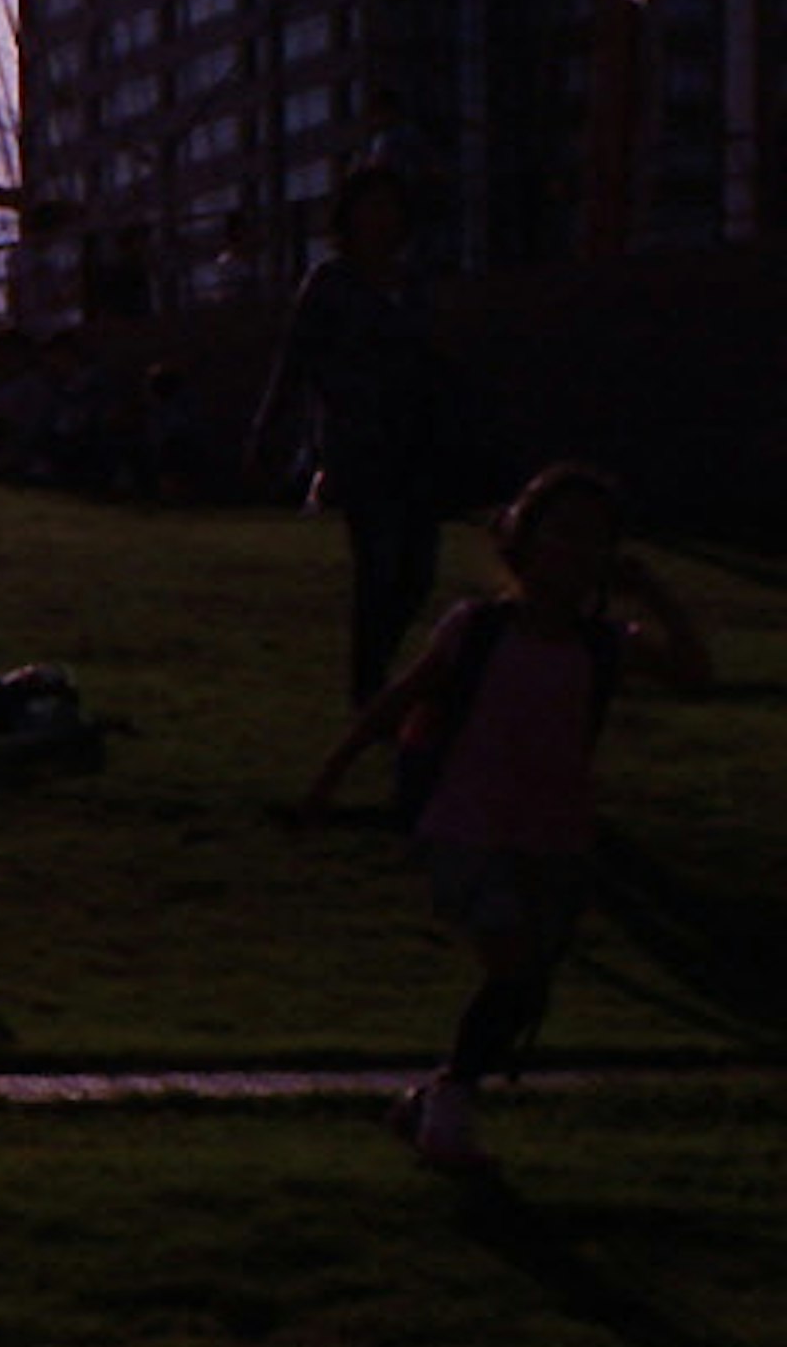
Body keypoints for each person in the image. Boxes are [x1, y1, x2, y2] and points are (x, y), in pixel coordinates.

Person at [301, 461, 710, 1174]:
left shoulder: (603, 644)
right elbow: (402, 698)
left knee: (522, 985)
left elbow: (695, 673)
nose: (578, 552)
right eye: (564, 533)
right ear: (522, 541)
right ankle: (449, 1114)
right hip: (465, 826)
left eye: (596, 538)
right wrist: (332, 775)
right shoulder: (480, 628)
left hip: (554, 835)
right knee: (513, 964)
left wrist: (660, 597)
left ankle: (437, 1100)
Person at [249, 165, 446, 699]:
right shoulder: (331, 284)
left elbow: (431, 361)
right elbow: (294, 361)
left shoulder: (412, 285)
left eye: (391, 207)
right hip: (358, 443)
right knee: (380, 567)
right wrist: (270, 429)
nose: (382, 218)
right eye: (371, 206)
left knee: (419, 571)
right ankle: (369, 687)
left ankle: (376, 671)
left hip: (416, 442)